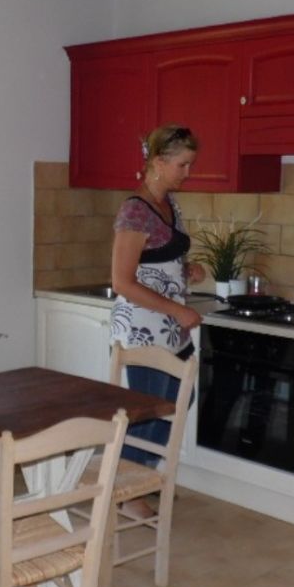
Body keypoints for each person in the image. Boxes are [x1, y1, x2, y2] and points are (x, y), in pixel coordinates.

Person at [109, 124, 205, 518]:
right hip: (145, 328)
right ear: (159, 162)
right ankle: (124, 491)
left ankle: (139, 479)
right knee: (148, 408)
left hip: (171, 329)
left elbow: (161, 261)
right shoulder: (135, 210)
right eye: (182, 164)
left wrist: (188, 270)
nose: (188, 172)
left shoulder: (170, 205)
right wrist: (177, 308)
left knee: (180, 401)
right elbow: (122, 281)